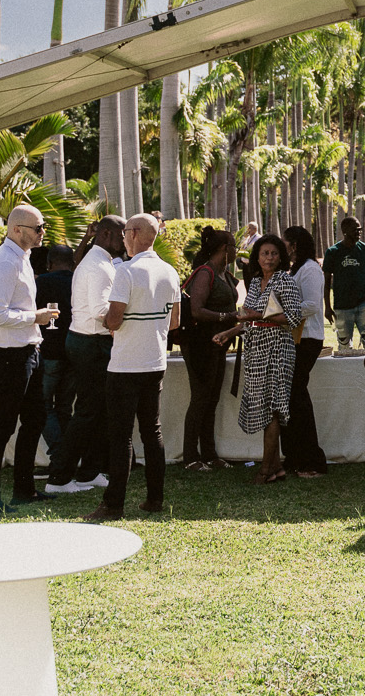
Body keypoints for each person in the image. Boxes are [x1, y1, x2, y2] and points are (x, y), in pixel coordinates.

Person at [85, 213, 179, 520]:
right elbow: (175, 321)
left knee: (121, 437)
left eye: (126, 232)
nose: (124, 237)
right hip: (155, 361)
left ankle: (113, 505)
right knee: (152, 432)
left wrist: (105, 321)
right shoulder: (169, 272)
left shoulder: (126, 271)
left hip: (125, 364)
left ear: (134, 233)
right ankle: (155, 499)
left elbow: (113, 319)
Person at [0, 204, 60, 513]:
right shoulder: (5, 263)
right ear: (17, 230)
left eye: (43, 226)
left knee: (35, 418)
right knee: (2, 426)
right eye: (38, 227)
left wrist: (33, 324)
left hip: (26, 351)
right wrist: (35, 317)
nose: (43, 232)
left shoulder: (21, 259)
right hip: (7, 356)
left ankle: (23, 489)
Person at [215, 234, 303, 483]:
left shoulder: (285, 281)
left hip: (278, 348)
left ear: (281, 257)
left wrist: (261, 314)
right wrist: (228, 332)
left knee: (273, 408)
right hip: (256, 350)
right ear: (257, 257)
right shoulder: (254, 283)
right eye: (265, 253)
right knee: (263, 408)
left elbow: (294, 318)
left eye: (274, 253)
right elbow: (249, 319)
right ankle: (277, 468)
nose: (270, 258)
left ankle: (266, 469)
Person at [45, 217, 122, 493]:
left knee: (98, 411)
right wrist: (127, 324)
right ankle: (59, 478)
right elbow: (101, 313)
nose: (125, 240)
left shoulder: (99, 262)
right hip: (91, 343)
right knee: (88, 412)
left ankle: (89, 472)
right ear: (107, 234)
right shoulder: (99, 266)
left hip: (88, 341)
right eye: (122, 234)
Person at [176, 227, 238, 472]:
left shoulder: (224, 273)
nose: (235, 249)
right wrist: (228, 316)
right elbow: (196, 310)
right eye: (233, 246)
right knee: (200, 398)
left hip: (219, 345)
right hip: (201, 345)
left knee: (212, 399)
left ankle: (210, 455)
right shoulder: (205, 273)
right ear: (224, 250)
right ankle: (191, 457)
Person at [282, 225, 329, 477]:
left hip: (308, 338)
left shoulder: (310, 269)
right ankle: (295, 456)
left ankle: (313, 459)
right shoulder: (297, 269)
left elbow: (311, 305)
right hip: (296, 337)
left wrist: (280, 314)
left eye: (285, 242)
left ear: (295, 245)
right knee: (292, 396)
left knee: (297, 395)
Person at [34, 242, 75, 460]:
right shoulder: (79, 282)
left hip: (49, 351)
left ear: (49, 263)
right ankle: (68, 455)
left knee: (42, 405)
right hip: (74, 352)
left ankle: (60, 453)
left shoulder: (42, 282)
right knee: (65, 407)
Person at [325, 216, 365, 353]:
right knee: (344, 346)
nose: (359, 232)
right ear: (345, 231)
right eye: (355, 230)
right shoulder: (333, 252)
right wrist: (327, 307)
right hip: (342, 306)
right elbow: (325, 282)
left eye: (360, 229)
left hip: (363, 304)